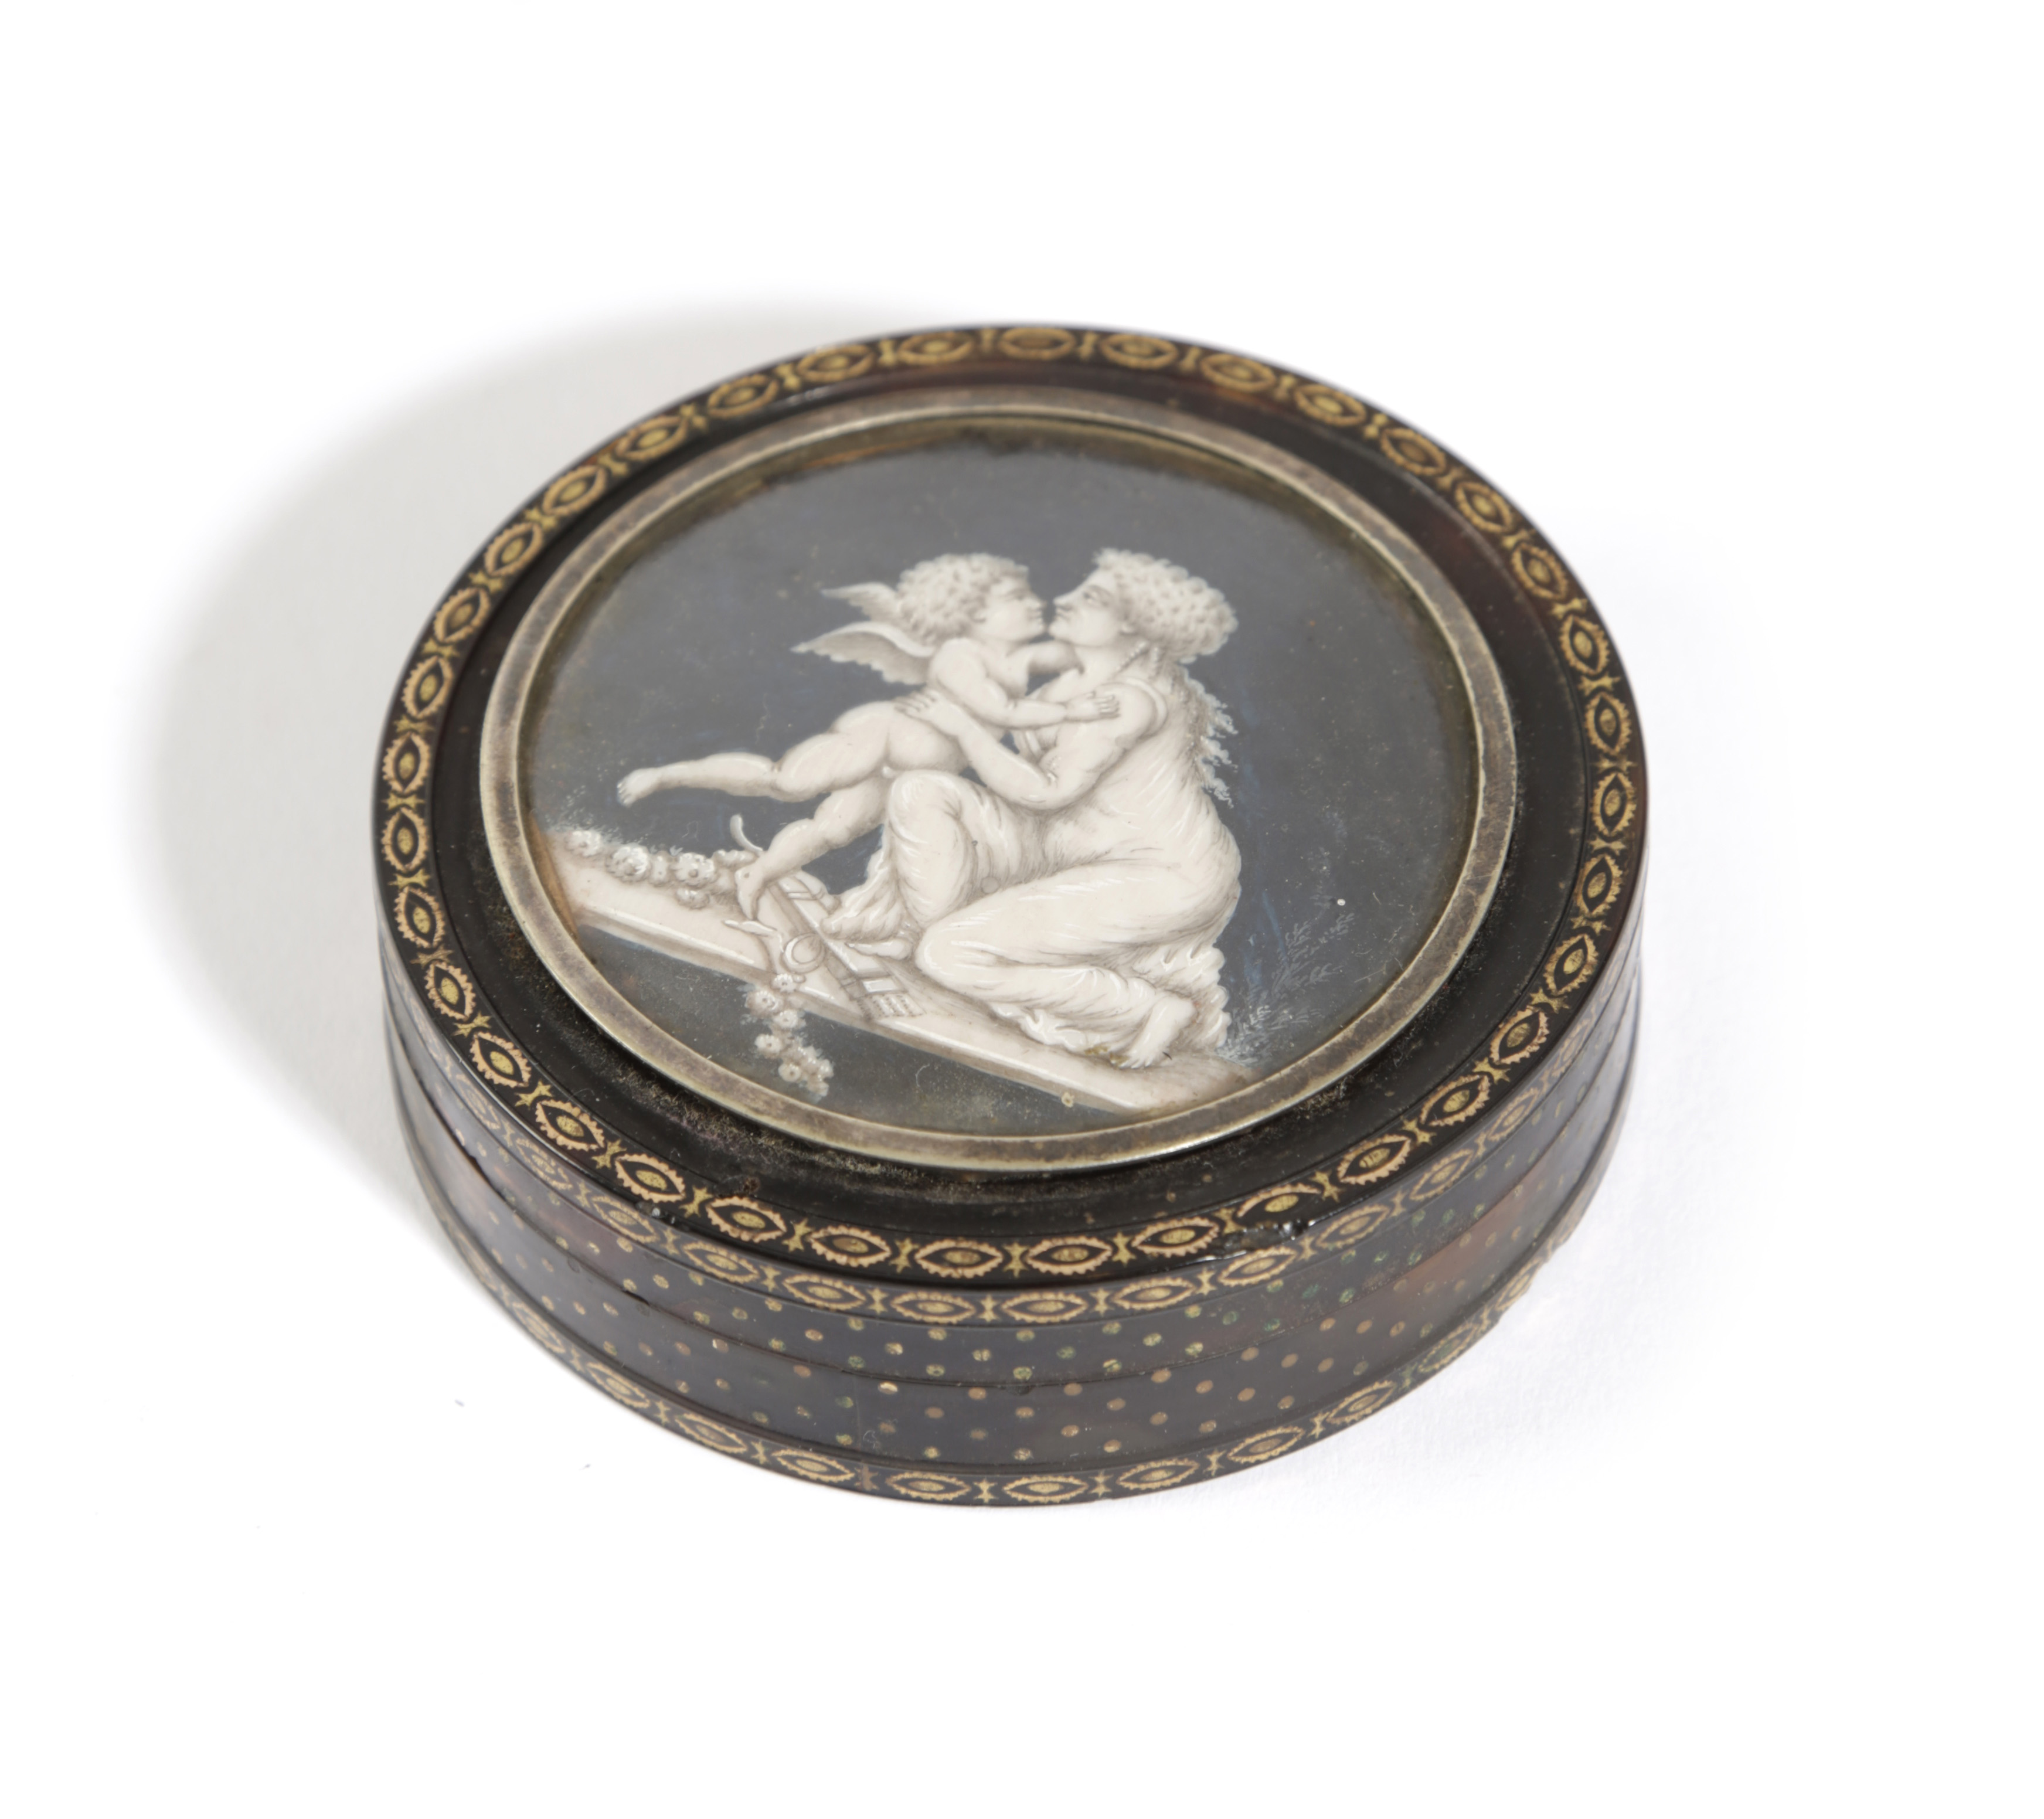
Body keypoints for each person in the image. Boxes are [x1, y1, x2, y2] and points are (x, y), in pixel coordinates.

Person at [828, 549, 1241, 1069]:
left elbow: (1046, 792)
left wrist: (963, 729)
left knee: (948, 953)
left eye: (1091, 597)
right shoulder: (1068, 685)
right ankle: (938, 937)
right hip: (1062, 847)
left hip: (1158, 875)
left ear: (1133, 623)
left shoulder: (1130, 701)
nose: (1062, 599)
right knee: (920, 792)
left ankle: (1149, 1007)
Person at [614, 554, 1113, 916]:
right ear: (975, 612)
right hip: (883, 736)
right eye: (1017, 597)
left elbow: (1091, 652)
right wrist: (1074, 709)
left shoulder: (1023, 658)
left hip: (907, 772)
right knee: (784, 781)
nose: (1036, 603)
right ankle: (665, 775)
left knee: (832, 830)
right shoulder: (958, 655)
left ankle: (757, 874)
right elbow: (999, 709)